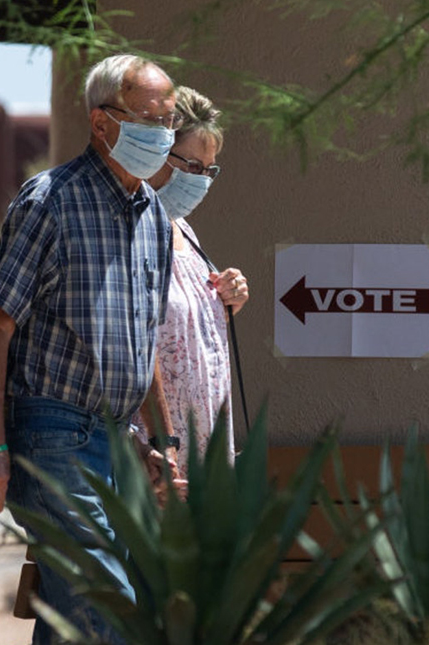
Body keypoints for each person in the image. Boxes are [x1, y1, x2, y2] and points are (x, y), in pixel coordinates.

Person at [0, 54, 180, 645]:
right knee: (102, 599)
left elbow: (149, 340)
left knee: (75, 614)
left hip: (119, 438)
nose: (163, 132)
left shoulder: (155, 220)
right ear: (101, 122)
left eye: (169, 118)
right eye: (148, 117)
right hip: (53, 430)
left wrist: (162, 443)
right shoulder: (50, 201)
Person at [145, 87, 249, 473]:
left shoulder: (184, 230)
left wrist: (228, 297)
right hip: (155, 457)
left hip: (206, 454)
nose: (201, 180)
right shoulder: (126, 230)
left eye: (209, 170)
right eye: (191, 167)